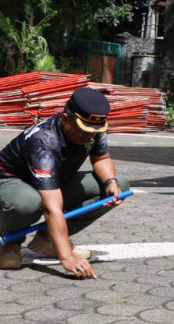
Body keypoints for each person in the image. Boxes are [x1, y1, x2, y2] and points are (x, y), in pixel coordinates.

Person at [0, 87, 131, 276]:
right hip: (11, 182)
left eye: (94, 131)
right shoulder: (44, 141)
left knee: (120, 184)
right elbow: (51, 207)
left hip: (52, 182)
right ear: (65, 117)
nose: (89, 136)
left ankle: (47, 240)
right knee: (28, 202)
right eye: (83, 130)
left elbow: (101, 158)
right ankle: (9, 245)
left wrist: (110, 182)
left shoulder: (92, 125)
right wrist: (67, 258)